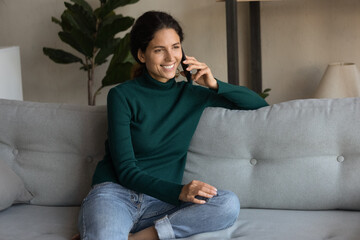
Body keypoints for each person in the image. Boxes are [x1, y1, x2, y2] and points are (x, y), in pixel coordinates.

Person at [77, 11, 268, 240]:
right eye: (159, 50)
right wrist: (180, 191)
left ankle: (135, 237)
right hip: (115, 196)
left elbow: (259, 105)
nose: (170, 58)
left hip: (161, 203)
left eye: (175, 47)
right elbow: (127, 171)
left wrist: (214, 83)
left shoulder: (192, 95)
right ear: (141, 55)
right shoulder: (121, 95)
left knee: (227, 204)